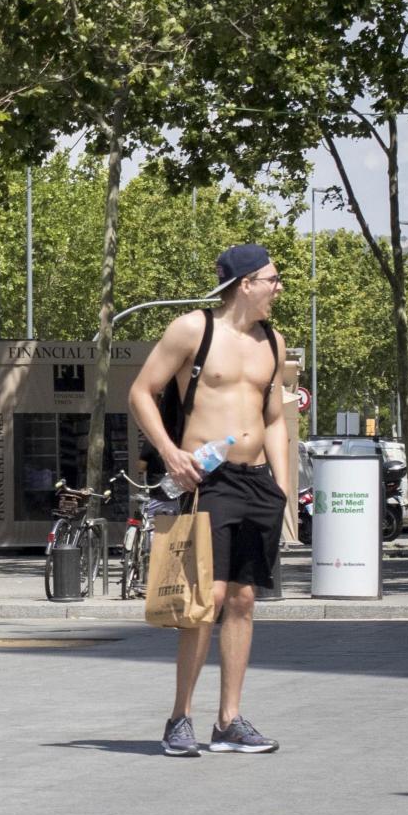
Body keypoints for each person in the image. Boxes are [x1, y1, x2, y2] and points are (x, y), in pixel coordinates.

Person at [129, 243, 289, 758]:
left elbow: (275, 420)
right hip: (209, 480)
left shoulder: (274, 342)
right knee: (207, 599)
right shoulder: (193, 330)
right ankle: (181, 718)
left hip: (257, 482)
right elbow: (140, 392)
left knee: (244, 599)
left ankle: (229, 721)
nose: (279, 288)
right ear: (246, 284)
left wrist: (282, 490)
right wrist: (171, 453)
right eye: (273, 279)